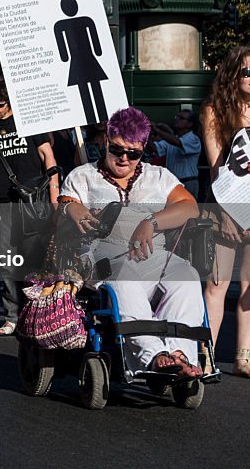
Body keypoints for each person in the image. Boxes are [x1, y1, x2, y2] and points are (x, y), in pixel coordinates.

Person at [59, 107, 203, 379]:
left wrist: (151, 221)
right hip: (105, 257)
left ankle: (179, 353)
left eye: (133, 153)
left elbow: (189, 206)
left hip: (153, 255)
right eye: (117, 150)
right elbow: (66, 204)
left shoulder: (157, 177)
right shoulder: (82, 176)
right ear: (106, 142)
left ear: (142, 150)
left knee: (188, 276)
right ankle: (154, 355)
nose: (124, 158)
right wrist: (72, 209)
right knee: (125, 279)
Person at [0, 76, 58, 335]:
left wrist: (56, 199)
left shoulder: (29, 123)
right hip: (0, 202)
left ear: (11, 103)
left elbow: (49, 159)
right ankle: (12, 316)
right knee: (7, 261)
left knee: (35, 258)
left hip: (33, 202)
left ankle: (37, 312)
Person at [201, 44, 250, 379]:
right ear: (234, 74)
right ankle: (206, 353)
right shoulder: (214, 110)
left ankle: (243, 357)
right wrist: (223, 211)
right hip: (227, 204)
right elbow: (215, 166)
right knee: (217, 283)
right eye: (249, 71)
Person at [149, 109, 201, 198]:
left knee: (187, 211)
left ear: (190, 124)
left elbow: (178, 143)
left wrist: (157, 130)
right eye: (176, 117)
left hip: (187, 182)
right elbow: (154, 148)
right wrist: (146, 134)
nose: (177, 119)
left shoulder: (193, 139)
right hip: (173, 183)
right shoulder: (172, 139)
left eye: (181, 118)